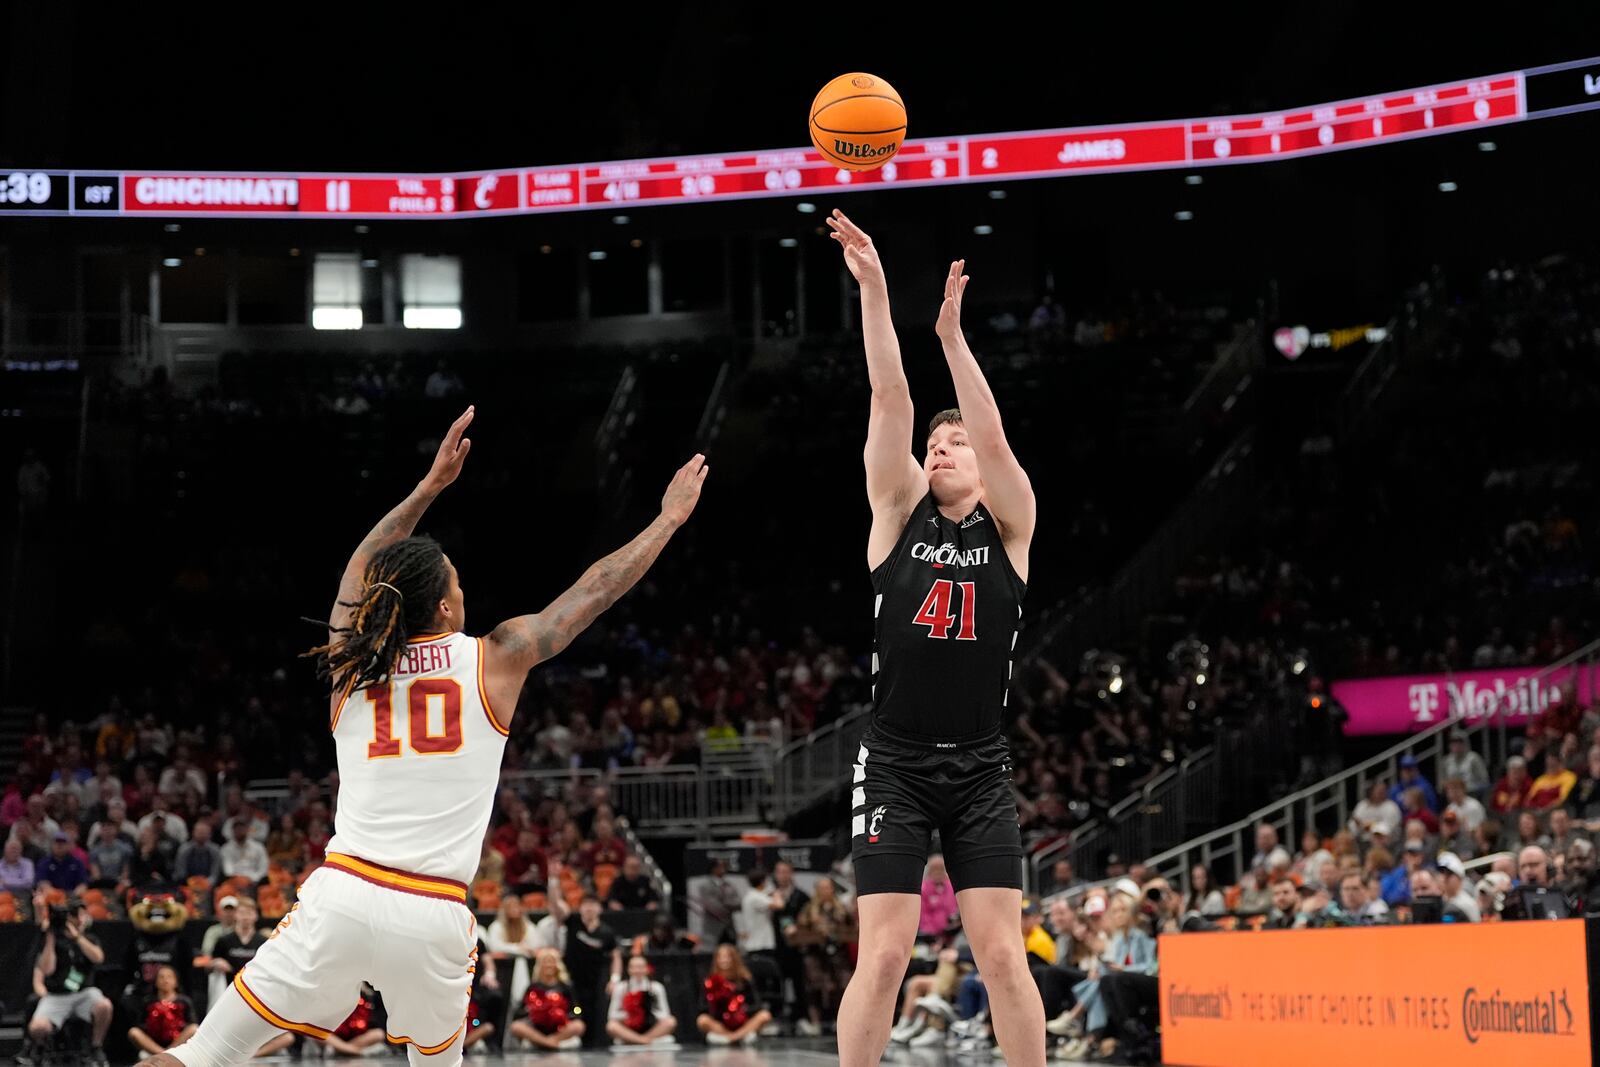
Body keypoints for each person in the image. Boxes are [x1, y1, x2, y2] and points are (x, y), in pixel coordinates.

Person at [135, 407, 706, 1067]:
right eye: (458, 584)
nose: (464, 590)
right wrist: (667, 520)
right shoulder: (497, 656)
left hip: (344, 894)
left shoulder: (350, 662)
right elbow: (592, 592)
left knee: (198, 1054)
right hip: (432, 911)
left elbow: (361, 565)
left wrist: (429, 486)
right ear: (444, 607)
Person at [826, 209, 1044, 1067]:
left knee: (1001, 953)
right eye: (937, 442)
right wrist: (878, 291)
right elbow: (890, 395)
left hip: (981, 763)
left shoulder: (1014, 523)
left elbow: (993, 434)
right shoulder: (897, 509)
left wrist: (954, 339)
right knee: (882, 954)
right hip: (896, 760)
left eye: (958, 443)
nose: (946, 448)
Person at [25, 893, 112, 1067]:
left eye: (79, 915)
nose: (77, 919)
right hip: (57, 996)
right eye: (73, 915)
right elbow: (47, 969)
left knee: (105, 1005)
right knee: (37, 1028)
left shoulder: (89, 939)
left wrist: (78, 938)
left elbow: (98, 958)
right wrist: (50, 937)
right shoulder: (54, 939)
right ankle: (40, 1049)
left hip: (84, 994)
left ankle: (96, 1047)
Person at [563, 895, 622, 1048]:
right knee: (576, 1009)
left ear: (599, 909)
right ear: (580, 908)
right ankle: (575, 1039)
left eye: (593, 905)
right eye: (586, 905)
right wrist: (554, 880)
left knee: (595, 1012)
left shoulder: (607, 932)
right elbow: (557, 907)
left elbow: (616, 956)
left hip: (597, 980)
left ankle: (594, 1044)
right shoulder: (573, 924)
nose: (589, 908)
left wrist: (614, 978)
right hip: (573, 980)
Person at [508, 948, 585, 1052]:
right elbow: (520, 1011)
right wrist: (532, 1011)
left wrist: (567, 1015)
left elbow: (576, 1009)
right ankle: (547, 1042)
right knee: (516, 1026)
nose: (549, 965)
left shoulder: (565, 987)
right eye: (545, 962)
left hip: (560, 1027)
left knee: (579, 1026)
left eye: (551, 961)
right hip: (537, 1028)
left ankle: (550, 1041)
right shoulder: (533, 987)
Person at [699, 943, 775, 1047]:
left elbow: (756, 1005)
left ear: (734, 959)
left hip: (742, 1021)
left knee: (764, 1015)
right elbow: (704, 1007)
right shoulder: (711, 981)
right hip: (722, 1022)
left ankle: (733, 1037)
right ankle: (734, 1037)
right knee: (702, 1020)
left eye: (727, 957)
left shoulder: (745, 980)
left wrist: (740, 1010)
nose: (724, 960)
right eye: (720, 957)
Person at [604, 955, 678, 1049]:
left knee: (671, 1022)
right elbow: (612, 1015)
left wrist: (647, 1013)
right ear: (628, 969)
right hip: (628, 1025)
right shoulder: (621, 987)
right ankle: (643, 1040)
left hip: (651, 1024)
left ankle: (640, 1039)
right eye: (634, 967)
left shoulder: (656, 987)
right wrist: (631, 1014)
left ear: (647, 969)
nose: (637, 970)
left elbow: (665, 1013)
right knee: (611, 1026)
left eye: (640, 967)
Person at [127, 966, 198, 1057]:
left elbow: (192, 1022)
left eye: (169, 977)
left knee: (194, 1028)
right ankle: (162, 1054)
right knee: (134, 1032)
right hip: (154, 1042)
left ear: (176, 982)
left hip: (177, 1042)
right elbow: (140, 1024)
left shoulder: (184, 1001)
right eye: (161, 977)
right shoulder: (148, 1001)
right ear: (156, 982)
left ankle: (168, 1053)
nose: (165, 980)